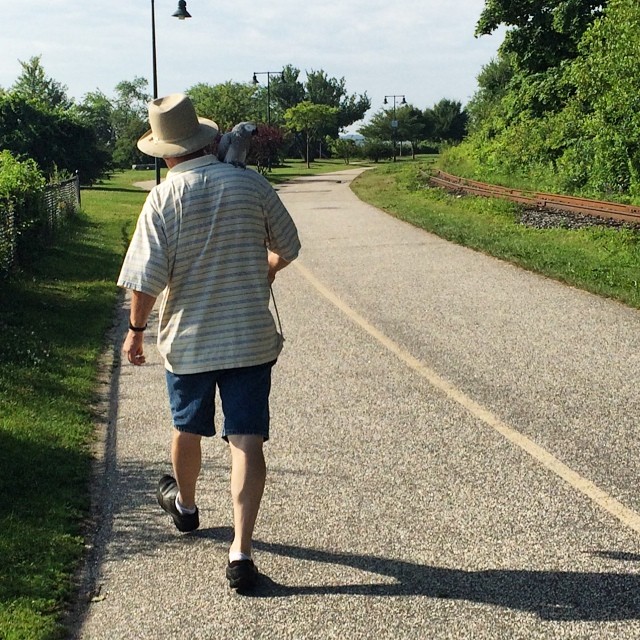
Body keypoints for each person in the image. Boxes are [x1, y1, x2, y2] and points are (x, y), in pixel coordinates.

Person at [117, 93, 300, 590]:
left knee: (187, 427)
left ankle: (187, 506)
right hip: (249, 339)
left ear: (165, 151)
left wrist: (136, 332)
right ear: (203, 139)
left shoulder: (163, 198)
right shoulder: (251, 184)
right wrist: (267, 268)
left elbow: (147, 279)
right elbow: (290, 245)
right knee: (247, 439)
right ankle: (240, 552)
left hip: (190, 341)